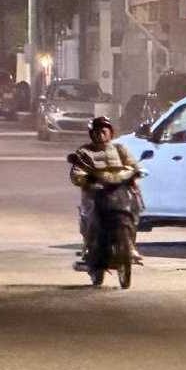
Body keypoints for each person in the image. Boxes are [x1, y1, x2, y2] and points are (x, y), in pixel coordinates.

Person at [69, 116, 144, 274]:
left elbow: (133, 165)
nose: (100, 135)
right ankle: (90, 249)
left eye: (104, 131)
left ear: (111, 133)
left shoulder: (120, 149)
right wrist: (87, 180)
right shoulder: (84, 152)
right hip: (96, 192)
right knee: (92, 217)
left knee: (132, 212)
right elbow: (77, 173)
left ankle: (130, 246)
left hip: (119, 190)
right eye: (96, 132)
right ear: (91, 134)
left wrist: (133, 173)